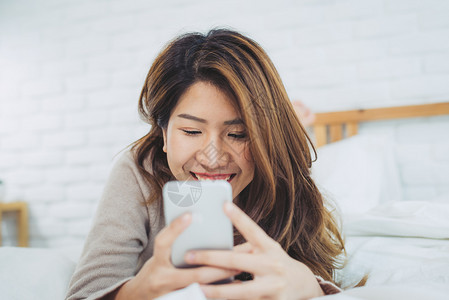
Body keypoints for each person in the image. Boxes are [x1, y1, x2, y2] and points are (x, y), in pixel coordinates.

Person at [66, 28, 344, 300]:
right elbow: (85, 293)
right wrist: (138, 292)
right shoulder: (140, 169)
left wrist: (310, 287)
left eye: (238, 134)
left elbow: (314, 274)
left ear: (266, 136)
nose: (212, 158)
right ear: (163, 133)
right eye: (191, 131)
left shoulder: (282, 175)